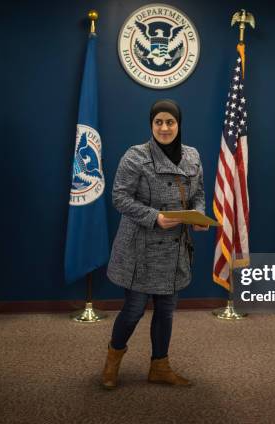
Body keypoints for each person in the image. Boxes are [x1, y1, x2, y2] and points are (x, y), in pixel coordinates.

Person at [102, 99, 207, 389]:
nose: (164, 127)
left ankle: (160, 366)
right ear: (151, 124)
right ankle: (112, 360)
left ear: (178, 124)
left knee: (165, 310)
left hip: (175, 249)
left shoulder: (192, 156)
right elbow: (119, 197)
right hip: (140, 248)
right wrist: (154, 217)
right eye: (158, 122)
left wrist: (199, 216)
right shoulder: (135, 156)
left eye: (170, 122)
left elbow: (199, 194)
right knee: (134, 309)